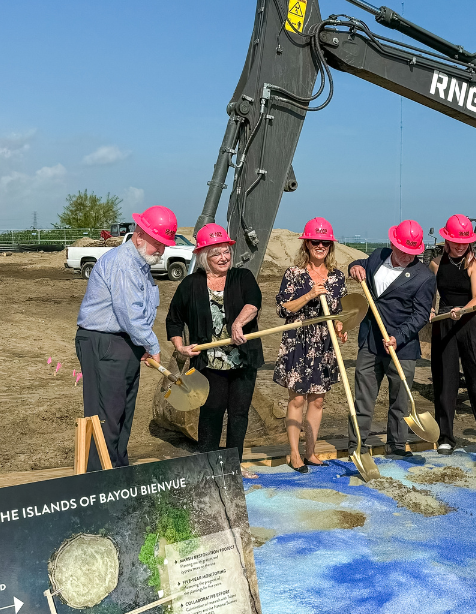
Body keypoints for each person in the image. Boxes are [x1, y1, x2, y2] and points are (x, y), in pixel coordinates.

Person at [75, 205, 177, 471]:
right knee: (105, 415)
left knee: (122, 413)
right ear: (140, 236)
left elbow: (139, 313)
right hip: (104, 342)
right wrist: (151, 345)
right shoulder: (124, 263)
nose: (161, 250)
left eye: (164, 245)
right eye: (158, 243)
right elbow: (129, 313)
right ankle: (100, 478)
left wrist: (141, 344)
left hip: (124, 342)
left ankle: (119, 472)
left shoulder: (140, 264)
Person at [166, 223, 263, 478]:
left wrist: (238, 323)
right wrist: (180, 346)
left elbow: (253, 303)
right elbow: (174, 319)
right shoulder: (191, 284)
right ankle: (207, 466)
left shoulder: (242, 277)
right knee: (211, 413)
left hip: (242, 360)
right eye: (216, 253)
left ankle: (233, 465)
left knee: (239, 414)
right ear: (203, 257)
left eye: (226, 252)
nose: (223, 257)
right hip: (210, 363)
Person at [349, 220, 436, 456]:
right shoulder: (378, 256)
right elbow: (360, 265)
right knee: (363, 399)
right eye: (403, 250)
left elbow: (420, 315)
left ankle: (396, 445)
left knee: (400, 401)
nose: (407, 256)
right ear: (393, 244)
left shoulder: (424, 277)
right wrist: (354, 267)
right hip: (370, 342)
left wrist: (398, 337)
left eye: (412, 252)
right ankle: (357, 446)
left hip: (402, 347)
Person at [270, 218, 348, 472]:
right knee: (297, 400)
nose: (320, 246)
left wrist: (340, 327)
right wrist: (310, 294)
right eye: (315, 241)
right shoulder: (293, 274)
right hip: (298, 340)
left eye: (325, 242)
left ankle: (310, 452)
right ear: (306, 244)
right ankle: (294, 454)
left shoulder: (337, 277)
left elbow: (339, 312)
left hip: (324, 343)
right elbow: (283, 309)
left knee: (317, 401)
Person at [429, 214, 476, 454]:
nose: (460, 246)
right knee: (445, 380)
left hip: (470, 321)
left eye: (464, 242)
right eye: (456, 241)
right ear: (447, 239)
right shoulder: (436, 263)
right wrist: (432, 310)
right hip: (445, 322)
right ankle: (445, 437)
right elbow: (431, 294)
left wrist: (463, 310)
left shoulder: (474, 264)